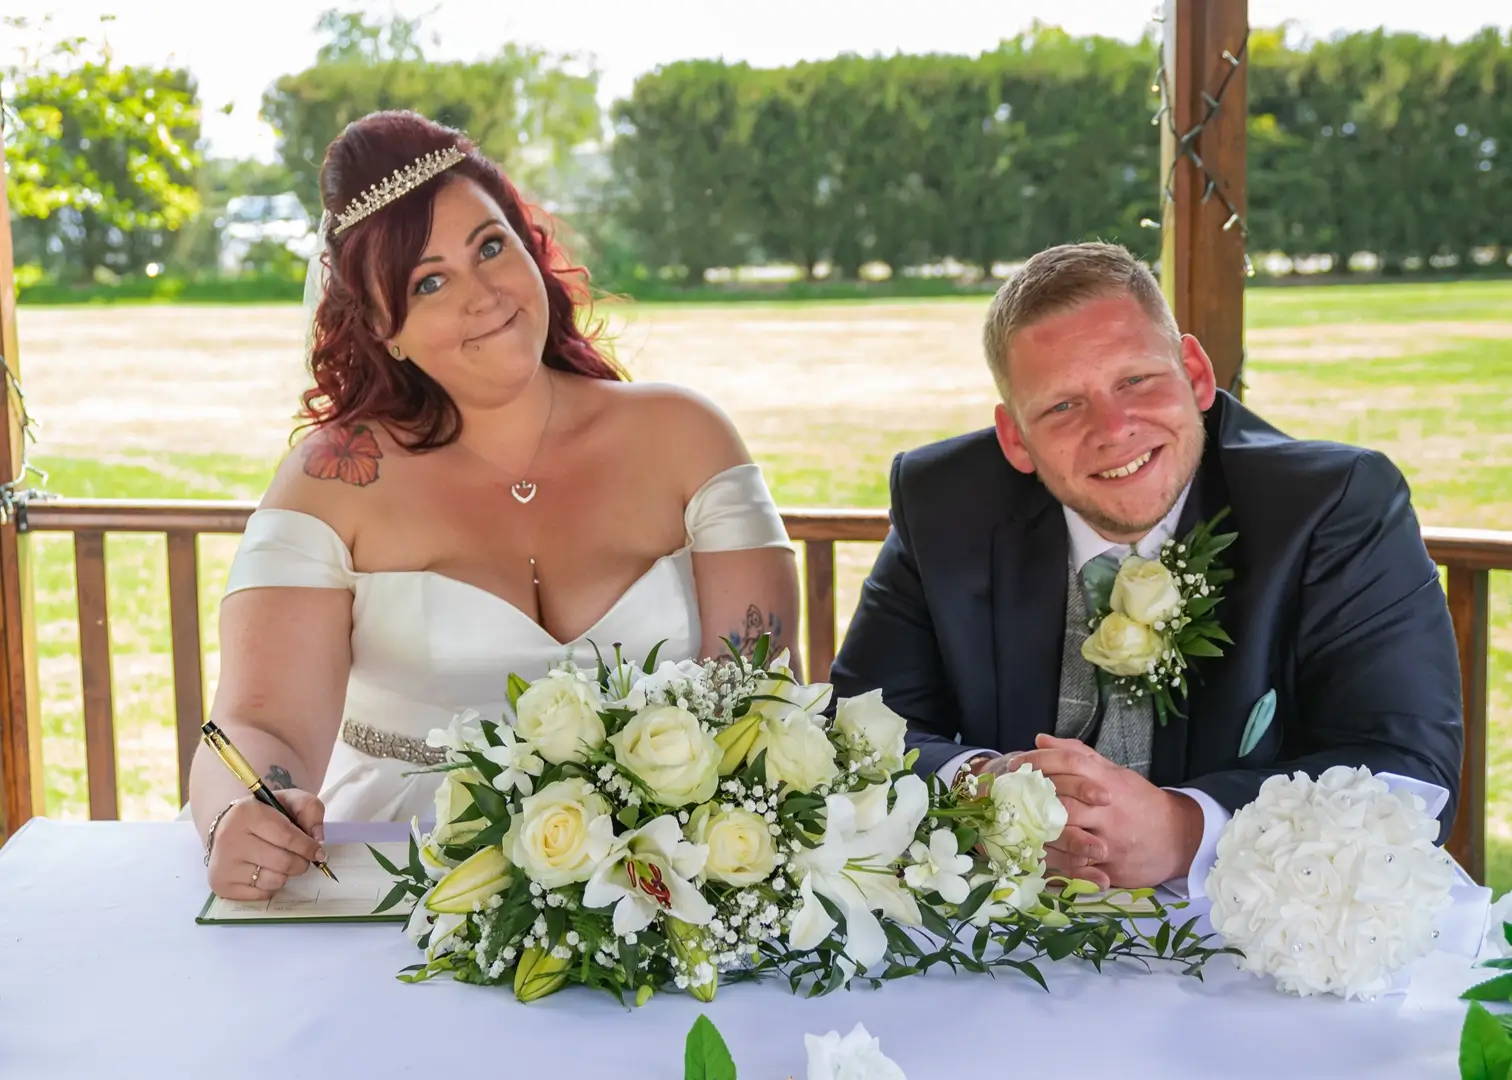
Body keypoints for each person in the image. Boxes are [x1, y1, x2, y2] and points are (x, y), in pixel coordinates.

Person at [190, 111, 799, 901]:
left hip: (669, 879)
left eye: (489, 246)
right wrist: (240, 813)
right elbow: (258, 723)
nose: (482, 296)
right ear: (385, 327)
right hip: (403, 888)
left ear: (529, 248)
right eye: (430, 281)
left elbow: (757, 703)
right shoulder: (332, 480)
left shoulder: (687, 436)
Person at [828, 241, 1463, 894]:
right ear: (1015, 438)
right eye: (1062, 406)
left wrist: (1186, 830)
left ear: (1194, 373)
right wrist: (986, 790)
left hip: (1247, 935)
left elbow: (1409, 771)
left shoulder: (1333, 506)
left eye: (1137, 380)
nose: (1114, 427)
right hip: (1013, 938)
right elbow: (852, 731)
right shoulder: (944, 503)